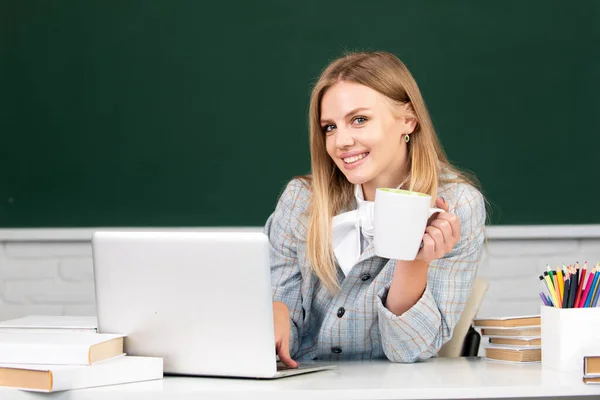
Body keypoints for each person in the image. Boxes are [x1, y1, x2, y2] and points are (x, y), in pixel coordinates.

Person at [264, 51, 486, 367]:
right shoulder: (301, 200)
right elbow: (283, 340)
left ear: (408, 120)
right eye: (329, 127)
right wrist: (276, 311)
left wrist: (414, 261)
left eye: (359, 120)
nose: (340, 141)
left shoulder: (458, 206)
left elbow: (410, 351)